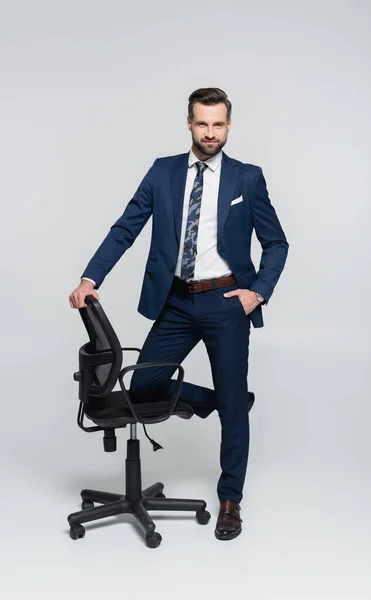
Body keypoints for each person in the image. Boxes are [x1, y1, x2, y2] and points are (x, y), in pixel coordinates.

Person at [69, 87, 289, 541]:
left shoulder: (247, 179)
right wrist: (91, 278)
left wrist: (256, 294)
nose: (210, 133)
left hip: (227, 301)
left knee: (233, 399)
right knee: (146, 382)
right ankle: (218, 403)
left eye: (219, 124)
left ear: (229, 126)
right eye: (202, 123)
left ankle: (231, 500)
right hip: (176, 300)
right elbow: (126, 227)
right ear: (188, 123)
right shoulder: (163, 172)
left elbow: (277, 243)